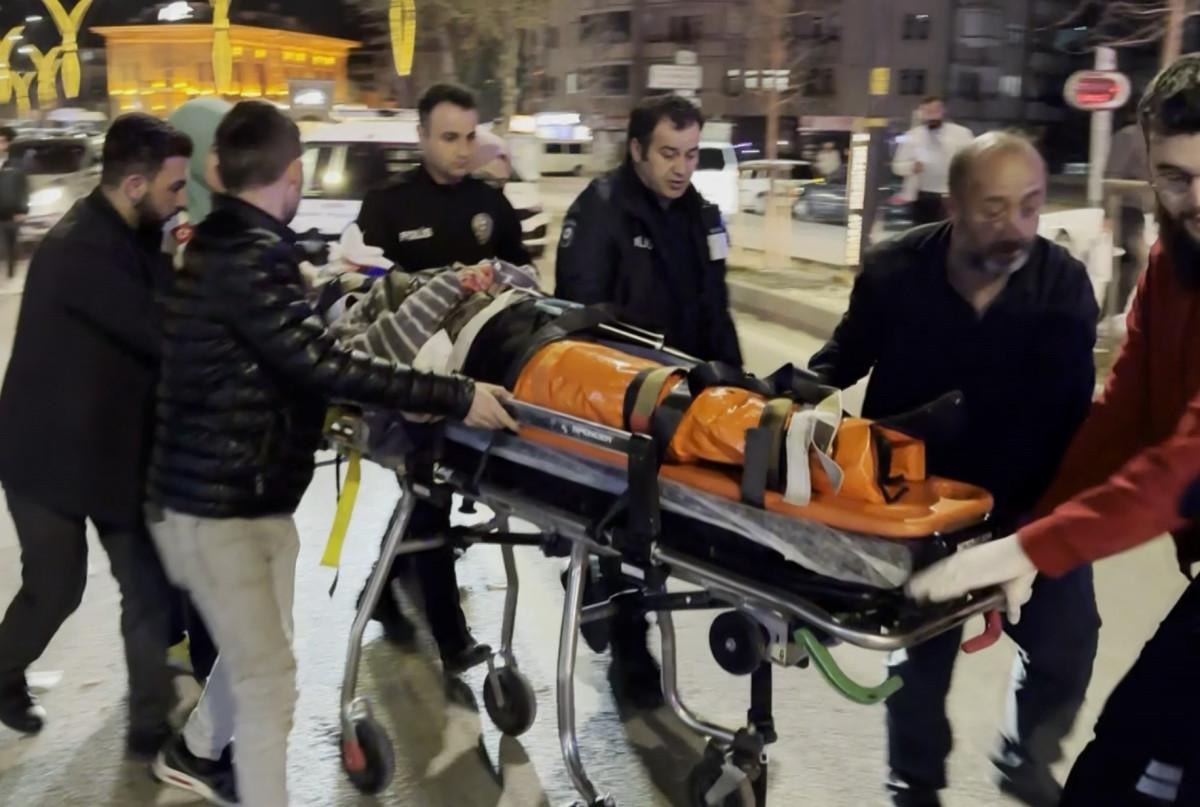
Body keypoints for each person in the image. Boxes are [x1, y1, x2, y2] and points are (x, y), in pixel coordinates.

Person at [144, 100, 515, 807]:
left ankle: (194, 750)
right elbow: (327, 367)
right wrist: (455, 393)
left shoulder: (236, 248)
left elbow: (321, 355)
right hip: (218, 506)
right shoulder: (246, 259)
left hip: (243, 494)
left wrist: (422, 298)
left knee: (261, 653)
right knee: (269, 683)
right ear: (293, 174)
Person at [909, 55, 1200, 807]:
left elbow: (1187, 464)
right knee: (1120, 759)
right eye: (1175, 177)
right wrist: (1033, 540)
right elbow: (1121, 419)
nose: (1197, 199)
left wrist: (1032, 548)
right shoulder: (1172, 265)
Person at [810, 132, 1100, 807]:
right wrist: (777, 404)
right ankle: (914, 783)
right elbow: (840, 360)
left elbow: (1075, 421)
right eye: (993, 208)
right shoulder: (894, 272)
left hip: (1030, 505)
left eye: (1030, 206)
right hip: (918, 506)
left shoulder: (1063, 286)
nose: (1015, 227)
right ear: (953, 205)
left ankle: (1026, 755)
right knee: (917, 661)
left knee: (1067, 647)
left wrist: (1034, 533)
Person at [0, 114, 192, 757]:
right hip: (46, 456)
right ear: (134, 185)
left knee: (147, 586)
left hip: (114, 451)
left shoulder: (133, 233)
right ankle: (1, 673)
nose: (181, 201)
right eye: (174, 187)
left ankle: (148, 726)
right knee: (57, 588)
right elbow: (162, 333)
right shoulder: (80, 249)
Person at [555, 93, 741, 709]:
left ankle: (605, 588)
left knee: (667, 527)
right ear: (636, 149)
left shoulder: (702, 217)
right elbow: (579, 319)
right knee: (628, 526)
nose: (681, 167)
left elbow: (716, 310)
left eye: (690, 154)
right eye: (668, 153)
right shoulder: (600, 211)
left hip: (684, 400)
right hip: (621, 398)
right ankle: (629, 650)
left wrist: (736, 384)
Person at [355, 83, 531, 672]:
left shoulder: (490, 205)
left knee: (428, 497)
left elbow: (524, 278)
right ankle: (452, 641)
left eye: (470, 137)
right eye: (449, 137)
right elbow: (363, 289)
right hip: (413, 381)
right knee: (429, 495)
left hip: (480, 377)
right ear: (422, 137)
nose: (462, 149)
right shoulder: (388, 205)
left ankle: (380, 592)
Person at [893, 96, 975, 226]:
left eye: (935, 110)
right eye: (928, 111)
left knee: (949, 232)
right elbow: (897, 166)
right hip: (922, 196)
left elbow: (973, 162)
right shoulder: (913, 135)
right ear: (921, 113)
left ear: (943, 110)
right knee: (923, 233)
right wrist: (912, 167)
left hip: (951, 195)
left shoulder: (961, 134)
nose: (932, 115)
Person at [1104, 114, 1153, 316]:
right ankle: (1111, 313)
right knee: (1135, 260)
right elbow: (1112, 175)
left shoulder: (1155, 139)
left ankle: (1110, 313)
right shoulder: (1128, 136)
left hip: (1139, 210)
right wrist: (1108, 214)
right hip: (1124, 209)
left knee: (1130, 264)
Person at [0, 126, 27, 278]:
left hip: (9, 210)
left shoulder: (15, 164)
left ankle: (11, 273)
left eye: (2, 141)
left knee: (11, 242)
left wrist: (22, 209)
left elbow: (22, 187)